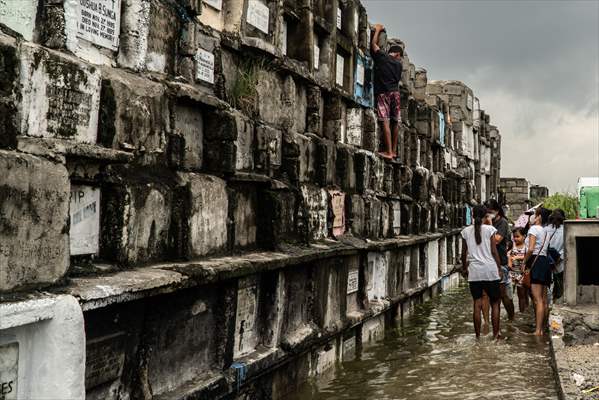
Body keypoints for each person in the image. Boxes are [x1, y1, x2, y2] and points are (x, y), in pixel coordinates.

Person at [461, 205, 503, 339]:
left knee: (477, 304)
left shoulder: (466, 231)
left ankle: (478, 337)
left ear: (472, 215)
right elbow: (494, 251)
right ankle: (496, 335)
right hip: (490, 271)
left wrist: (464, 268)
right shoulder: (490, 229)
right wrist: (499, 267)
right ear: (486, 216)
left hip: (475, 272)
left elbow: (463, 254)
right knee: (495, 303)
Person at [371, 24, 403, 160]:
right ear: (397, 54)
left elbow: (373, 46)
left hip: (384, 93)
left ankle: (388, 152)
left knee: (385, 121)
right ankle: (394, 151)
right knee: (395, 121)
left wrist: (377, 30)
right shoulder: (399, 65)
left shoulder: (383, 57)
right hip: (395, 94)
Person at [523, 207, 552, 336]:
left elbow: (530, 249)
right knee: (544, 299)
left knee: (537, 299)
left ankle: (538, 330)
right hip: (545, 262)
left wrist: (524, 262)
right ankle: (543, 328)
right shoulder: (546, 231)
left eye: (535, 214)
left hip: (536, 261)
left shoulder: (534, 229)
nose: (533, 216)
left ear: (539, 217)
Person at [485, 199, 515, 321]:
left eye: (491, 212)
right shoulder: (484, 222)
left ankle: (511, 318)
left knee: (504, 295)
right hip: (488, 262)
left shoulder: (502, 223)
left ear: (497, 211)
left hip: (501, 262)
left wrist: (490, 223)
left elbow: (497, 240)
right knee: (488, 296)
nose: (488, 214)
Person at [546, 209, 565, 301]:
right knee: (559, 285)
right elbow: (567, 247)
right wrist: (559, 258)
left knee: (548, 285)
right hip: (560, 263)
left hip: (547, 261)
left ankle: (549, 301)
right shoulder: (566, 230)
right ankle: (556, 300)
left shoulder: (545, 229)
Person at [509, 227, 528, 312]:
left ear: (524, 236)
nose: (515, 238)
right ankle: (511, 313)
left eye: (517, 236)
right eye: (514, 236)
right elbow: (508, 256)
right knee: (509, 295)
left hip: (521, 275)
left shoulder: (526, 249)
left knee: (521, 295)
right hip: (511, 274)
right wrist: (509, 262)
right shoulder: (511, 247)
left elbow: (528, 261)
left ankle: (522, 312)